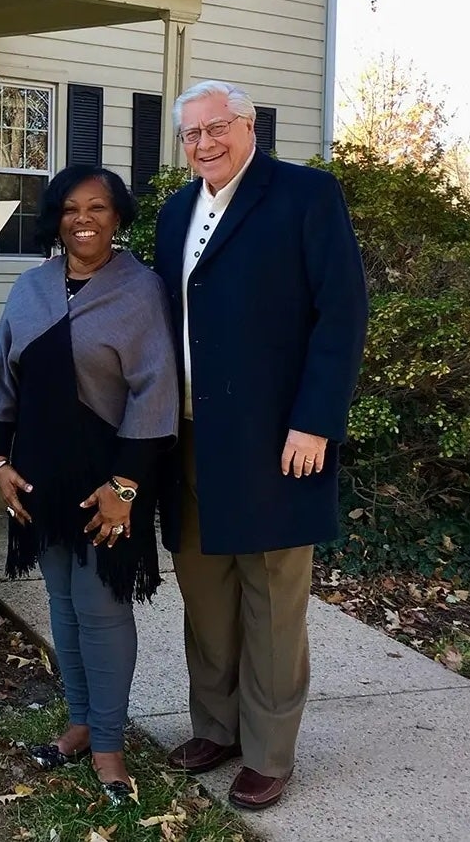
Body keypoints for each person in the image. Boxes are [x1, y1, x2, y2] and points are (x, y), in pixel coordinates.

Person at [153, 81, 368, 810]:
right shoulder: (175, 211)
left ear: (248, 127)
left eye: (217, 128)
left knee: (272, 598)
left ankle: (269, 751)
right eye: (191, 134)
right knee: (204, 592)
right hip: (187, 436)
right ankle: (216, 726)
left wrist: (315, 419)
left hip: (278, 439)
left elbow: (339, 312)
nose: (204, 144)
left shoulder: (306, 196)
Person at [0, 165, 178, 804]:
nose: (82, 218)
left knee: (102, 609)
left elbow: (156, 390)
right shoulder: (30, 287)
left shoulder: (140, 290)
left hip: (107, 482)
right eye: (69, 208)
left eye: (98, 207)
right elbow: (1, 380)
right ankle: (83, 723)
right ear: (54, 219)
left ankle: (111, 746)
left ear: (118, 217)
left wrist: (127, 487)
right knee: (61, 604)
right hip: (35, 479)